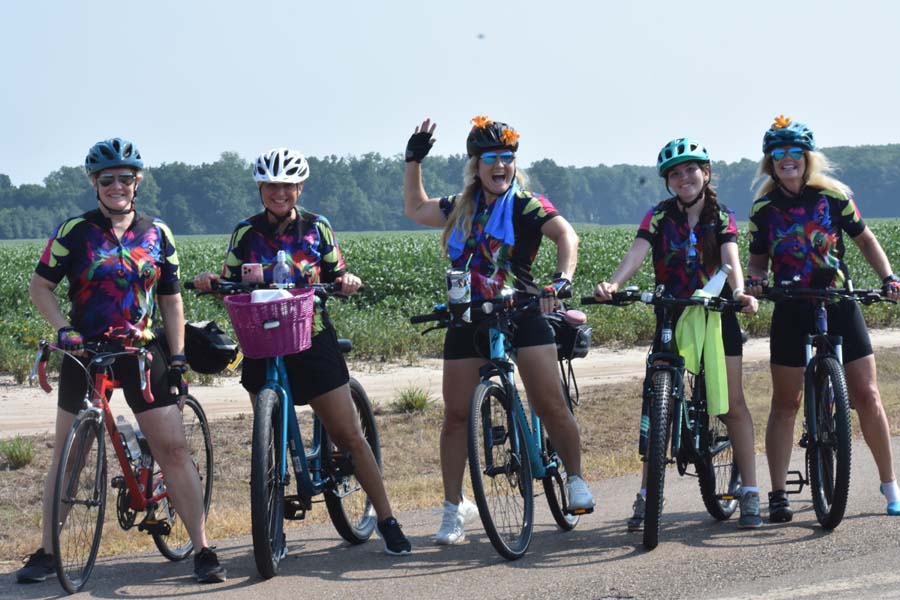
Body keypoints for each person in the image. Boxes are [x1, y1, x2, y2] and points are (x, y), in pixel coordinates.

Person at [19, 138, 226, 584]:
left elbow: (171, 300)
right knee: (69, 455)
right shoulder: (74, 231)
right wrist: (62, 327)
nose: (116, 185)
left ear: (138, 182)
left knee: (171, 448)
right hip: (84, 353)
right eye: (107, 179)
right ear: (95, 184)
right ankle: (47, 551)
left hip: (141, 352)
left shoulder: (158, 233)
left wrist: (176, 357)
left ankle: (204, 548)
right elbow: (41, 287)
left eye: (125, 178)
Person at [193, 148, 411, 555]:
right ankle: (274, 512)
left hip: (308, 333)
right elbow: (228, 277)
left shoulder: (317, 227)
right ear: (261, 189)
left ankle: (386, 518)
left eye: (287, 185)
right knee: (268, 427)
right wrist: (210, 281)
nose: (280, 193)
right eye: (272, 185)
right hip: (262, 335)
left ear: (299, 188)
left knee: (348, 433)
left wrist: (346, 280)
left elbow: (336, 271)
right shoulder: (246, 232)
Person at [403, 116, 595, 545]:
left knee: (549, 402)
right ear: (476, 165)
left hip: (522, 308)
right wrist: (413, 160)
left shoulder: (526, 204)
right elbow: (415, 209)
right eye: (491, 158)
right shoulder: (459, 205)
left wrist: (561, 280)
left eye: (507, 158)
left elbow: (567, 235)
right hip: (468, 314)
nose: (500, 166)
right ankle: (454, 508)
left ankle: (576, 478)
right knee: (455, 416)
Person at [593, 137, 763, 530]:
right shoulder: (658, 217)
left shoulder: (721, 216)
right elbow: (637, 252)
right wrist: (614, 284)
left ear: (705, 173)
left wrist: (739, 293)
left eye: (691, 170)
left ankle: (750, 491)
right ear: (668, 181)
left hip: (717, 315)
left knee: (732, 403)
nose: (684, 177)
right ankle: (645, 495)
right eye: (675, 173)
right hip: (672, 315)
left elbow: (730, 257)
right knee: (658, 406)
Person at [746, 115, 900, 521]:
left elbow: (865, 239)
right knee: (785, 401)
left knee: (867, 395)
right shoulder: (764, 208)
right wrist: (756, 282)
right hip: (791, 305)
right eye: (777, 154)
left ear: (807, 157)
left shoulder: (832, 198)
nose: (786, 159)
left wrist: (888, 277)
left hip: (838, 300)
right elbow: (758, 262)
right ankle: (778, 494)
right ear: (770, 162)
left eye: (794, 152)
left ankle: (890, 484)